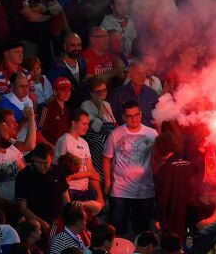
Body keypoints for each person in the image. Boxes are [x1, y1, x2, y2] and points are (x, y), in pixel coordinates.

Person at [103, 101, 157, 238]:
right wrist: (108, 183)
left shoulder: (152, 134)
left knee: (142, 233)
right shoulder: (115, 134)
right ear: (123, 117)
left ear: (141, 114)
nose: (134, 119)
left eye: (136, 115)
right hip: (120, 190)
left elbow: (158, 158)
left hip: (145, 190)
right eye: (129, 116)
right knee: (118, 233)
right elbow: (106, 158)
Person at [55, 109, 104, 213]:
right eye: (84, 124)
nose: (87, 127)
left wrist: (99, 195)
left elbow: (91, 170)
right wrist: (88, 173)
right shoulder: (65, 141)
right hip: (71, 190)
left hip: (85, 190)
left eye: (88, 124)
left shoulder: (84, 143)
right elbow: (65, 173)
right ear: (73, 123)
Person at [15, 143, 70, 235]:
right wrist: (42, 223)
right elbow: (22, 208)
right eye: (38, 163)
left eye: (45, 163)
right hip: (36, 226)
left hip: (58, 221)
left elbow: (66, 200)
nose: (41, 167)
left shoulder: (57, 171)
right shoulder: (24, 176)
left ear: (51, 159)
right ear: (33, 158)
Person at [108, 62, 159, 128]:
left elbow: (157, 121)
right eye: (138, 74)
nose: (142, 76)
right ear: (129, 75)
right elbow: (113, 119)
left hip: (148, 136)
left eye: (144, 73)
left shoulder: (152, 95)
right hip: (125, 135)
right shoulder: (117, 94)